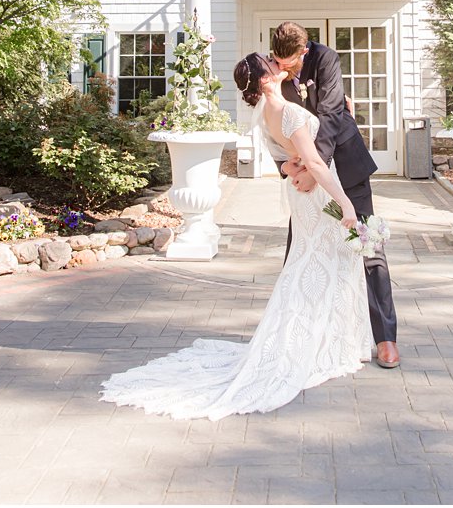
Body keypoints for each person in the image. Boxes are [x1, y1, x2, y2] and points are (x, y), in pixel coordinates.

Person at [99, 52, 369, 420]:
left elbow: (288, 157)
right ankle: (322, 344)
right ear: (263, 80)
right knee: (328, 260)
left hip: (302, 193)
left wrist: (293, 165)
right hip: (320, 192)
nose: (277, 65)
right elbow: (317, 162)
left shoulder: (265, 115)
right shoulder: (287, 111)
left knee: (311, 262)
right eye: (270, 65)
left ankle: (320, 338)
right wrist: (346, 205)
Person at [270, 21, 400, 369]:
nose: (287, 69)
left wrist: (316, 171)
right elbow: (274, 123)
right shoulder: (273, 72)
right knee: (299, 248)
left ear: (305, 49)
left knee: (368, 245)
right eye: (280, 63)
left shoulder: (326, 59)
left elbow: (330, 114)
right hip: (306, 173)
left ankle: (385, 337)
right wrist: (295, 169)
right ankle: (292, 334)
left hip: (343, 164)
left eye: (292, 63)